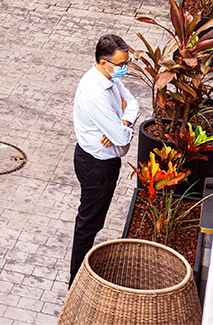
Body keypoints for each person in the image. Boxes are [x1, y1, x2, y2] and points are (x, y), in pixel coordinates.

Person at [70, 33, 140, 286]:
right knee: (88, 224)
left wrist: (123, 120)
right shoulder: (95, 93)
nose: (125, 68)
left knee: (93, 221)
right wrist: (121, 129)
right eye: (121, 64)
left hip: (103, 163)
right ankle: (76, 281)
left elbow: (133, 103)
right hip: (96, 165)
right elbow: (121, 138)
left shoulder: (109, 78)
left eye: (127, 62)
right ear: (103, 62)